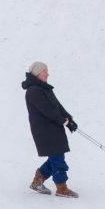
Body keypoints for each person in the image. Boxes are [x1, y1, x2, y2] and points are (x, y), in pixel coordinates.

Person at [23, 61, 79, 198]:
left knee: (56, 156)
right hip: (45, 131)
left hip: (53, 128)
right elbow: (47, 110)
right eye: (45, 71)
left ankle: (38, 181)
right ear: (37, 73)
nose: (48, 74)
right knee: (58, 158)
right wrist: (62, 121)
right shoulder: (33, 91)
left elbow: (58, 107)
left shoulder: (44, 88)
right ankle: (62, 188)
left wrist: (69, 119)